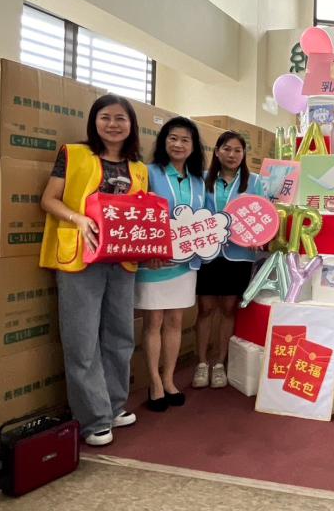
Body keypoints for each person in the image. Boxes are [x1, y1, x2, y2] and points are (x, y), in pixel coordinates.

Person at [40, 94, 148, 446]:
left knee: (120, 336)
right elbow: (48, 199)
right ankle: (93, 418)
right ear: (94, 121)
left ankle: (114, 406)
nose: (113, 124)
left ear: (131, 125)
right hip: (79, 258)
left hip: (122, 259)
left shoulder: (138, 167)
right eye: (106, 117)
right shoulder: (73, 154)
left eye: (121, 118)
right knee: (81, 339)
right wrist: (78, 218)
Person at [135, 117, 206, 412]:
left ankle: (168, 378)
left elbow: (205, 218)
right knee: (153, 322)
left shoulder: (198, 179)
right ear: (164, 141)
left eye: (185, 140)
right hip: (154, 261)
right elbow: (139, 212)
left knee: (176, 321)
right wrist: (149, 249)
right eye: (173, 138)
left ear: (193, 146)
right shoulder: (148, 172)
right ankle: (154, 382)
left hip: (185, 262)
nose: (178, 144)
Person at [194, 131, 265, 389]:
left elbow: (263, 214)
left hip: (239, 255)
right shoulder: (202, 179)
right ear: (216, 152)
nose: (232, 154)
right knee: (205, 308)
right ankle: (201, 364)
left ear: (244, 154)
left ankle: (219, 363)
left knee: (228, 309)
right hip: (208, 254)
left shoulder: (254, 182)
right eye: (226, 149)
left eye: (237, 150)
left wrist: (258, 237)